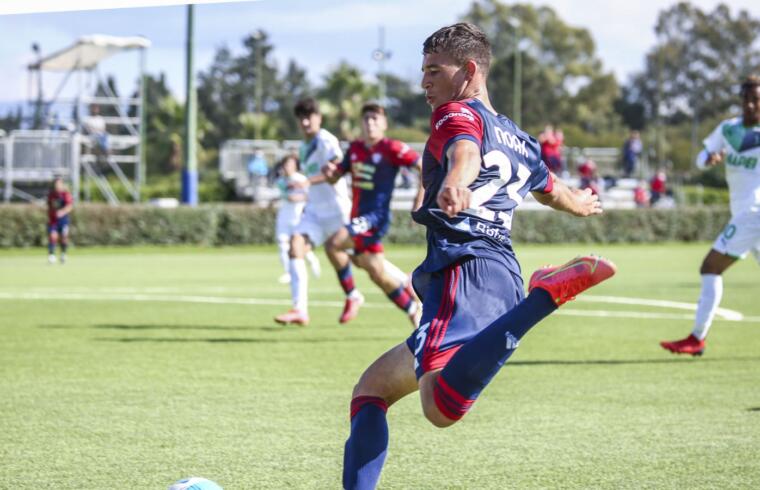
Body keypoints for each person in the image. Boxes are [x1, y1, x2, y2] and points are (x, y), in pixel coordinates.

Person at [342, 23, 616, 489]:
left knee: (439, 408)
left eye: (434, 70)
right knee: (371, 390)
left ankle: (543, 299)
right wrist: (584, 203)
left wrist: (455, 182)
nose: (424, 82)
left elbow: (464, 151)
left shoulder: (456, 115)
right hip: (498, 272)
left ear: (468, 72)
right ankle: (537, 297)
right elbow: (555, 192)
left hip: (463, 268)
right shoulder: (520, 139)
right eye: (423, 70)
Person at [661, 75, 760, 356]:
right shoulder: (729, 129)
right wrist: (709, 159)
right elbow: (701, 158)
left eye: (757, 100)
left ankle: (697, 337)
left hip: (754, 214)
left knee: (710, 267)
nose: (752, 105)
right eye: (747, 99)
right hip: (743, 214)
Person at [322, 102, 424, 327]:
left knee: (333, 244)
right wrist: (329, 172)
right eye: (366, 119)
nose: (370, 123)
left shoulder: (392, 148)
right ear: (361, 123)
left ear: (384, 124)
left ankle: (352, 296)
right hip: (358, 218)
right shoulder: (356, 149)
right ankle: (411, 306)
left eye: (375, 119)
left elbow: (423, 168)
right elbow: (336, 176)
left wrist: (419, 200)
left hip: (374, 219)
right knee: (377, 273)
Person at [274, 98, 350, 326]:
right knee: (295, 248)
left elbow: (337, 168)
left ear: (319, 118)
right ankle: (300, 310)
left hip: (337, 211)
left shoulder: (326, 140)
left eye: (310, 117)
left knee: (366, 261)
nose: (306, 122)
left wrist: (307, 182)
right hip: (315, 213)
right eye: (302, 118)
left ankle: (404, 286)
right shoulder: (304, 146)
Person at [273, 154, 321, 284]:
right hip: (284, 216)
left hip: (299, 216)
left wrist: (300, 198)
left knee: (298, 245)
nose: (287, 167)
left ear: (295, 166)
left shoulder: (302, 179)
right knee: (283, 245)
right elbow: (286, 196)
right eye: (286, 164)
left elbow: (310, 196)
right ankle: (289, 273)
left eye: (290, 164)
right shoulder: (281, 181)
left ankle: (312, 260)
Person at [46, 177, 73, 264]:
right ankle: (52, 255)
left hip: (63, 220)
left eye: (59, 184)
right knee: (53, 236)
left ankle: (63, 254)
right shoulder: (51, 194)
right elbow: (49, 206)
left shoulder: (65, 194)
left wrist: (62, 212)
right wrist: (51, 214)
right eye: (56, 184)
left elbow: (69, 206)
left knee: (64, 237)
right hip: (53, 220)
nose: (57, 186)